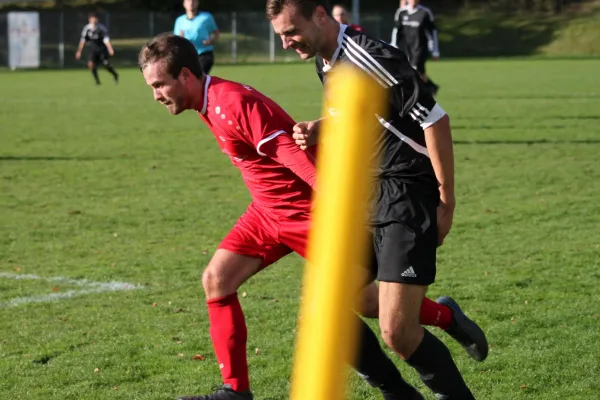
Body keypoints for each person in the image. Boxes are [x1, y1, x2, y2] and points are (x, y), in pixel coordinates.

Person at [139, 33, 485, 400]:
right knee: (216, 280)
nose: (156, 95)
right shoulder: (209, 102)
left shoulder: (231, 103)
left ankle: (418, 358)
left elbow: (293, 155)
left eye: (160, 84)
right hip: (267, 214)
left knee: (361, 305)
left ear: (187, 77)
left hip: (308, 214)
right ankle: (235, 392)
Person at [267, 1, 487, 398]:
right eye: (280, 36)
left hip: (406, 191)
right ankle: (401, 387)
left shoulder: (371, 55)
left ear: (320, 15)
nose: (286, 43)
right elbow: (366, 116)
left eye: (291, 32)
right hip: (365, 194)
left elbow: (434, 119)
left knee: (397, 332)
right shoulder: (326, 61)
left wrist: (445, 200)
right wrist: (323, 128)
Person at [391, 0, 440, 96]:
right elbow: (397, 30)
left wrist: (435, 51)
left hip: (421, 48)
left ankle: (417, 93)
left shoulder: (425, 12)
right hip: (407, 48)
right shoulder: (401, 12)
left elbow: (433, 32)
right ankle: (431, 87)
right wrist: (394, 45)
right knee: (420, 72)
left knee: (413, 69)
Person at [174, 0, 220, 74]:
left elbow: (216, 33)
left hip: (204, 53)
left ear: (198, 3)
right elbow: (176, 39)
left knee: (198, 76)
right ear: (184, 4)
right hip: (187, 54)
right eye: (188, 1)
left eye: (194, 1)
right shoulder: (180, 20)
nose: (191, 3)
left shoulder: (206, 17)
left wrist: (211, 40)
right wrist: (180, 39)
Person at [75, 12, 118, 85]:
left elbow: (106, 40)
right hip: (93, 49)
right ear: (89, 20)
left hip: (102, 49)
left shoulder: (101, 28)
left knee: (106, 64)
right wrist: (79, 51)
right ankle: (97, 80)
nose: (94, 20)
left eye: (95, 18)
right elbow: (83, 41)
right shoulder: (87, 29)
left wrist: (110, 48)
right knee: (91, 64)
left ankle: (115, 74)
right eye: (92, 18)